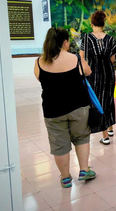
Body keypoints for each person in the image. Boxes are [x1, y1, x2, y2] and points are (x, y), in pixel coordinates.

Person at [34, 27, 96, 188]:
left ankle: (66, 177)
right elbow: (88, 72)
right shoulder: (75, 59)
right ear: (65, 42)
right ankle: (84, 170)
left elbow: (40, 78)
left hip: (52, 110)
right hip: (78, 107)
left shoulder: (40, 61)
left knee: (59, 145)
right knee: (81, 137)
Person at [80, 11, 116, 145]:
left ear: (92, 24)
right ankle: (110, 127)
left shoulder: (86, 38)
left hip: (93, 73)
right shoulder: (111, 39)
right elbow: (112, 59)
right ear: (103, 23)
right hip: (108, 73)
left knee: (97, 101)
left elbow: (82, 58)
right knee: (108, 98)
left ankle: (105, 135)